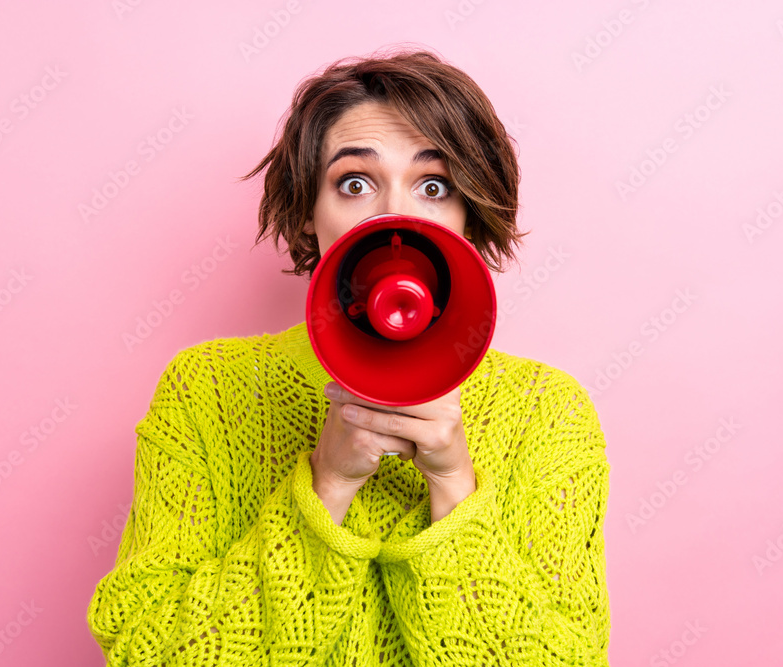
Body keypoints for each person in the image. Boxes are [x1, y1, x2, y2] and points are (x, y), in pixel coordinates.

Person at [87, 47, 611, 666]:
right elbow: (153, 654)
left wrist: (453, 486)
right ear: (310, 215)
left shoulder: (547, 412)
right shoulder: (209, 390)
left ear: (469, 215)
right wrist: (327, 484)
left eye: (434, 185)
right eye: (355, 183)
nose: (394, 215)